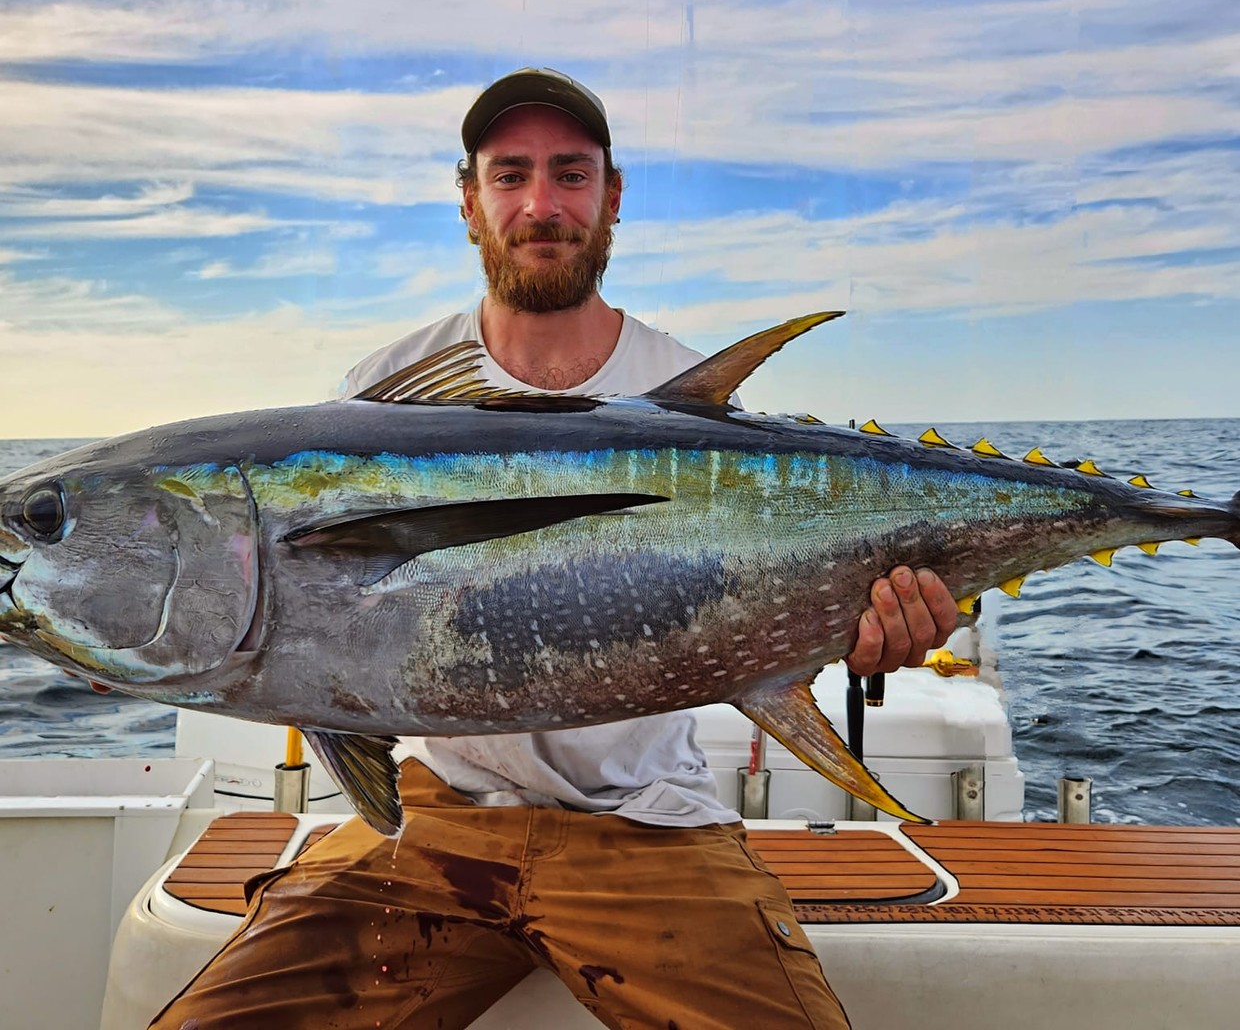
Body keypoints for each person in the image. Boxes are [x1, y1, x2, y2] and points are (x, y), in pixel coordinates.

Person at [151, 67, 958, 1030]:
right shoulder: (381, 394)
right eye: (510, 175)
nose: (541, 205)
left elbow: (814, 555)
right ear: (469, 201)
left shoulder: (681, 392)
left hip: (653, 832)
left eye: (572, 175)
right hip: (437, 823)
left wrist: (892, 626)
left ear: (611, 198)